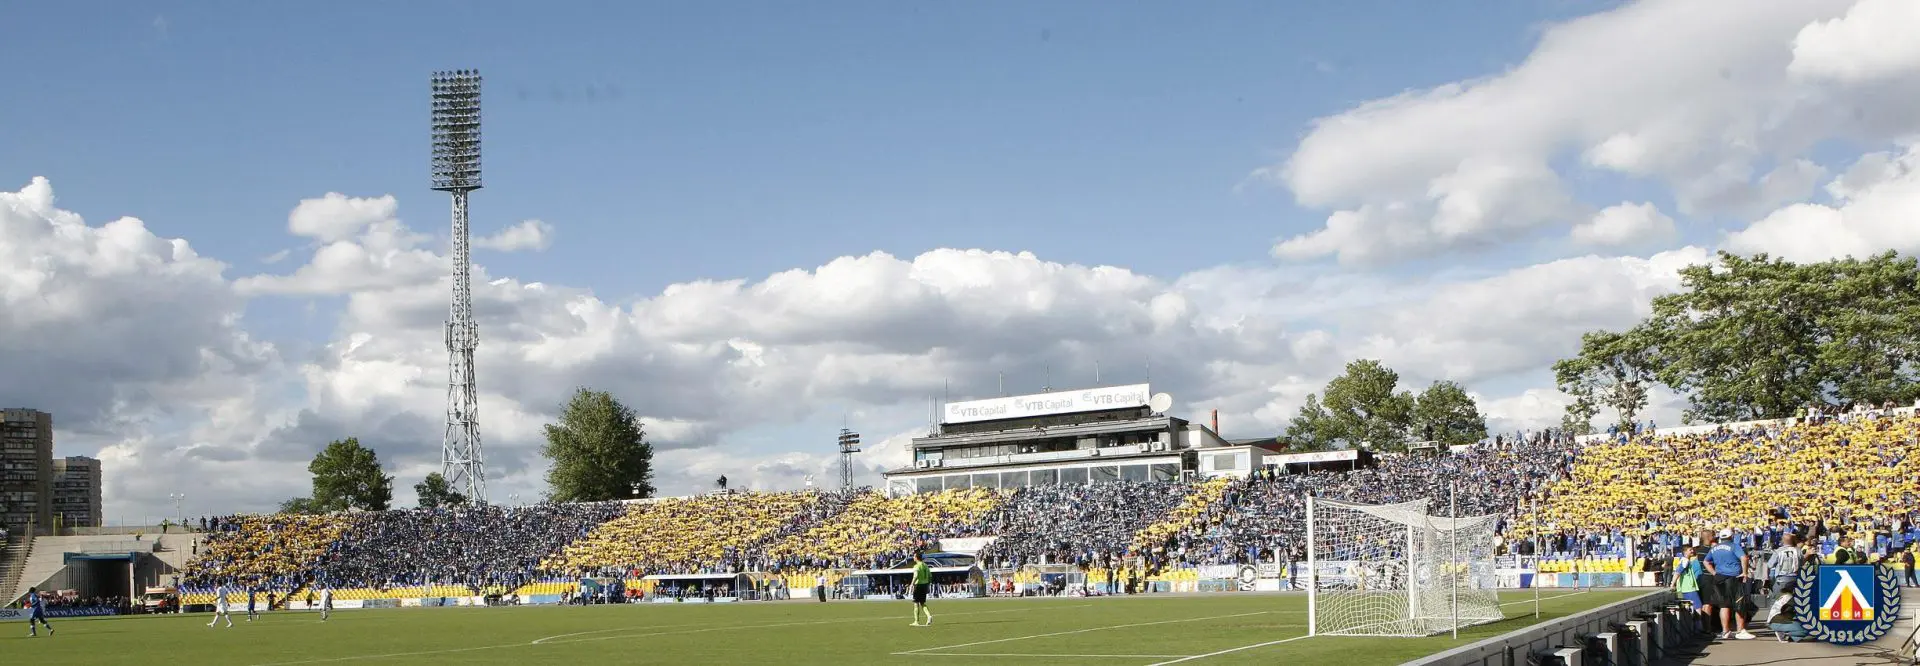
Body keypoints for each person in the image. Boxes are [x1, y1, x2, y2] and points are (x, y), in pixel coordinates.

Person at [1705, 529, 1754, 640]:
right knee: (1739, 603)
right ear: (1731, 536)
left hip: (1719, 577)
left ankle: (1725, 631)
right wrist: (1745, 572)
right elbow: (1744, 557)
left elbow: (1706, 561)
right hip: (1733, 577)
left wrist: (1714, 573)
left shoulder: (1714, 548)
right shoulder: (1734, 546)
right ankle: (1740, 630)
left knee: (1724, 605)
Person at [1673, 546, 1707, 631]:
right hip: (1688, 588)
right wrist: (1672, 583)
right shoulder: (1685, 561)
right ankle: (1698, 629)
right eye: (1690, 550)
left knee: (1694, 608)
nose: (1692, 551)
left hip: (1688, 588)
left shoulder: (1685, 560)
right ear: (1685, 552)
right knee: (1698, 607)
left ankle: (1695, 628)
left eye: (1692, 549)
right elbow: (1678, 572)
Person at [909, 552, 934, 627]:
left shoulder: (916, 566)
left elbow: (915, 575)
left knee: (916, 603)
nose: (913, 558)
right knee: (922, 603)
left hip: (918, 585)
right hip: (925, 585)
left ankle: (916, 621)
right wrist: (928, 585)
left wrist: (911, 584)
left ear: (916, 557)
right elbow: (930, 576)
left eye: (914, 556)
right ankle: (929, 616)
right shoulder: (925, 565)